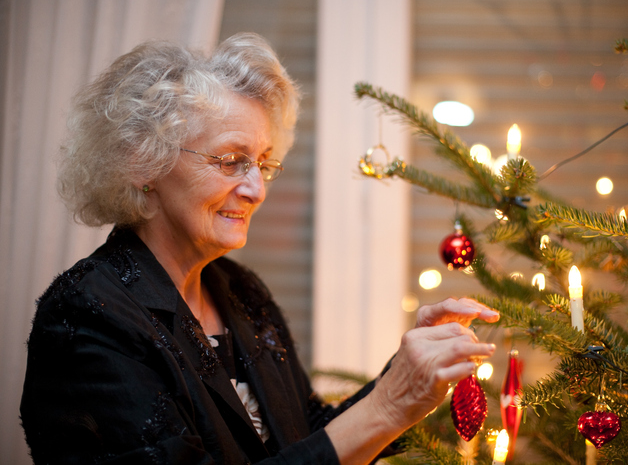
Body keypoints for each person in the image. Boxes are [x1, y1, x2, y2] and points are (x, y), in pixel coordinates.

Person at [20, 33, 499, 464]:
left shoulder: (240, 291)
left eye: (263, 164)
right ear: (144, 163)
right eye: (231, 162)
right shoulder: (87, 315)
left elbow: (307, 437)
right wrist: (389, 403)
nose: (256, 189)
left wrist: (409, 374)